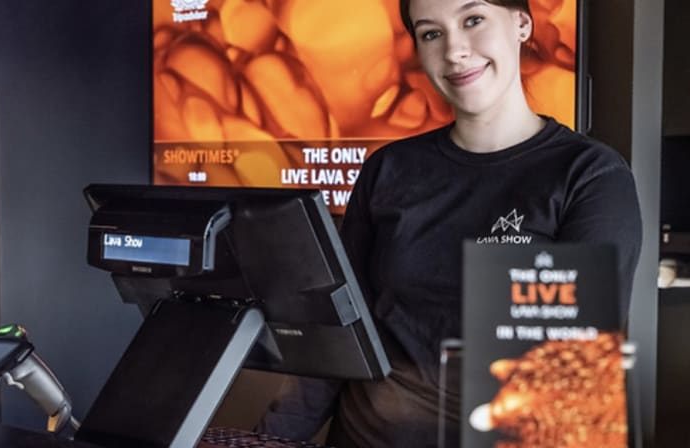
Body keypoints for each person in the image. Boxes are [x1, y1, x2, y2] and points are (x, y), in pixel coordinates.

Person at [257, 0, 642, 446]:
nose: (454, 50)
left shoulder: (589, 176)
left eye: (473, 20)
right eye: (430, 33)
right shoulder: (388, 169)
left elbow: (568, 380)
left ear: (521, 23)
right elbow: (338, 337)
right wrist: (268, 441)